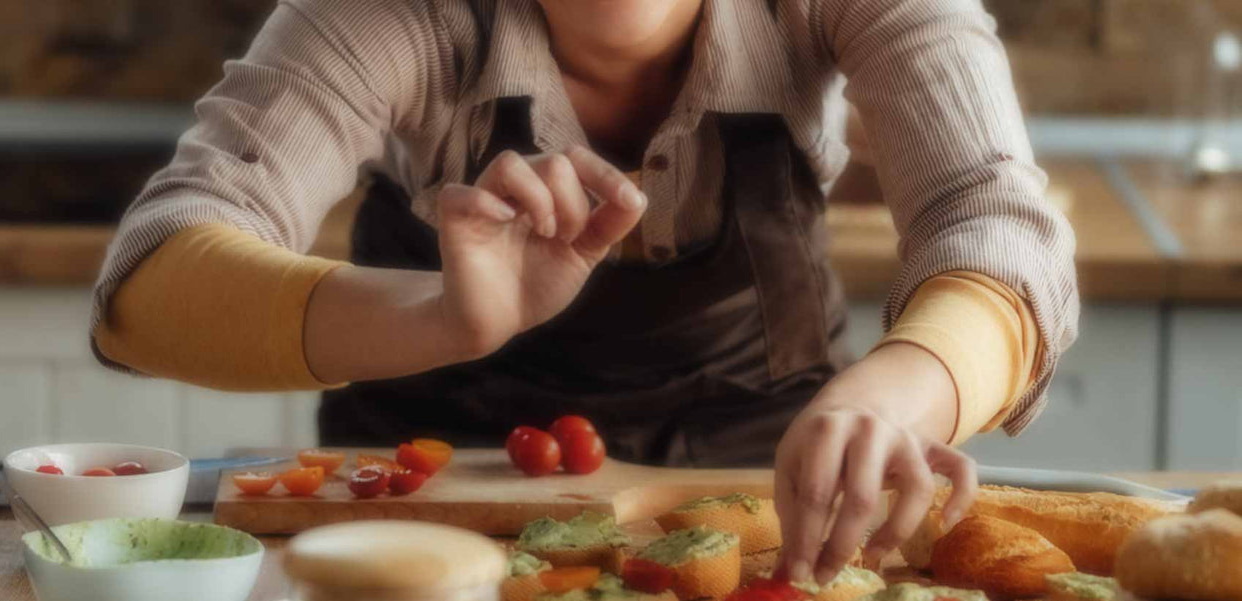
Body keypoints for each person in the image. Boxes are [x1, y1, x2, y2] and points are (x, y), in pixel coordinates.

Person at [88, 0, 1078, 586]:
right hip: (429, 522)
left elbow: (993, 215)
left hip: (772, 506)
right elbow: (148, 282)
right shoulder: (386, 16)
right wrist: (438, 315)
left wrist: (899, 387)